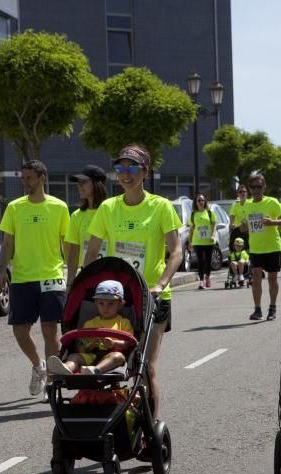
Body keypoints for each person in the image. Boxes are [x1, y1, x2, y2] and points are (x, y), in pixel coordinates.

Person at [84, 143, 182, 417]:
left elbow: (176, 252)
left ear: (145, 172)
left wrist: (161, 284)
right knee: (109, 358)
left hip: (153, 297)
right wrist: (86, 287)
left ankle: (151, 427)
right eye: (121, 167)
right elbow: (92, 253)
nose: (125, 173)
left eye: (132, 167)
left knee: (146, 365)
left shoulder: (160, 207)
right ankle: (115, 415)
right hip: (119, 298)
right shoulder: (108, 208)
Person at [0, 160, 71, 397]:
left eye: (29, 178)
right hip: (22, 278)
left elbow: (66, 243)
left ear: (42, 178)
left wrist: (72, 274)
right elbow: (8, 243)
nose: (25, 182)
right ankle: (38, 365)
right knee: (20, 331)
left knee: (50, 330)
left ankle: (52, 380)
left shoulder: (59, 207)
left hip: (52, 276)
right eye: (23, 178)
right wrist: (1, 271)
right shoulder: (15, 207)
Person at [47, 280, 134, 375]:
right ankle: (67, 368)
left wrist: (114, 343)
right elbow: (81, 346)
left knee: (118, 357)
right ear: (96, 303)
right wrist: (89, 345)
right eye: (101, 303)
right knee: (74, 356)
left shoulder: (124, 322)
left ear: (120, 304)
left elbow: (128, 343)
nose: (105, 308)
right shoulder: (90, 324)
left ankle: (96, 370)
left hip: (111, 356)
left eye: (111, 304)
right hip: (91, 355)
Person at [242, 172, 281, 320]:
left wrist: (273, 223)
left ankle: (273, 308)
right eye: (253, 187)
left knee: (272, 278)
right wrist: (243, 227)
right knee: (256, 277)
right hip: (256, 247)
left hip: (272, 246)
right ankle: (257, 310)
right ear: (250, 189)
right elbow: (245, 225)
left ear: (264, 187)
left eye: (259, 186)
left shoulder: (272, 202)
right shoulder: (247, 204)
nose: (256, 189)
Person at [64, 165, 109, 287]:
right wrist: (70, 284)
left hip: (111, 277)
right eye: (78, 183)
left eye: (83, 182)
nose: (79, 186)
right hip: (86, 278)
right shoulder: (76, 216)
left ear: (97, 183)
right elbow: (73, 253)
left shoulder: (112, 211)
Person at [188, 193, 216, 289]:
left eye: (202, 200)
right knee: (201, 261)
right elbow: (191, 229)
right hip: (197, 241)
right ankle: (201, 280)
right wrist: (190, 242)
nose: (201, 202)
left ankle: (207, 277)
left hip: (208, 241)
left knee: (208, 261)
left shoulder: (209, 213)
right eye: (199, 200)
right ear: (195, 202)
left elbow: (214, 225)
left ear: (205, 202)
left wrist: (213, 235)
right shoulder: (193, 214)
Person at [229, 185, 249, 251]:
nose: (242, 193)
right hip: (238, 232)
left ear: (247, 193)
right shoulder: (235, 205)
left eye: (244, 191)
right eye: (240, 192)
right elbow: (232, 215)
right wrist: (231, 224)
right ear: (238, 194)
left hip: (249, 231)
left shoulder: (251, 203)